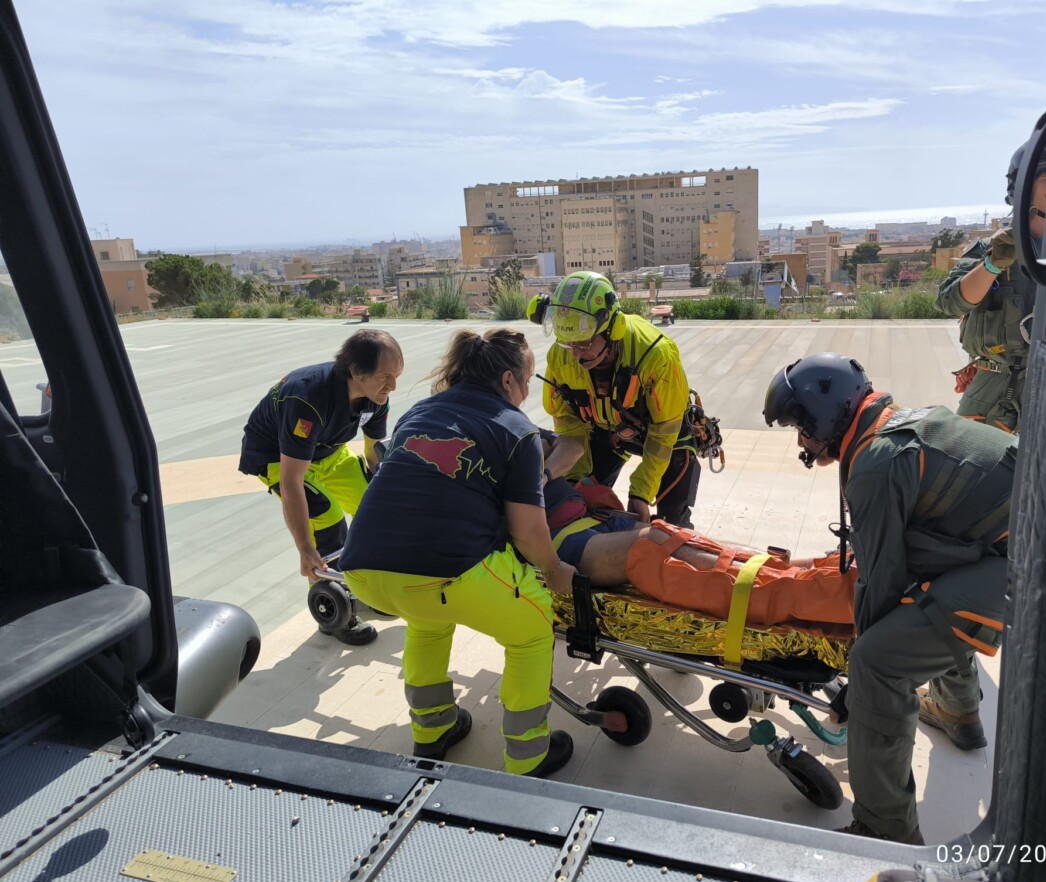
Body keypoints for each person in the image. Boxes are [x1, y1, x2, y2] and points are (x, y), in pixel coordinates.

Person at [763, 352, 1016, 845]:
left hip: (1029, 565)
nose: (801, 441)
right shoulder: (896, 423)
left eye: (802, 427)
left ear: (827, 414)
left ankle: (884, 830)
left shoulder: (875, 465)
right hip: (1023, 544)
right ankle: (958, 712)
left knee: (878, 661)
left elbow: (879, 582)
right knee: (924, 593)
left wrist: (857, 686)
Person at [339, 328, 578, 778]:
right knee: (531, 630)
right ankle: (529, 756)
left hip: (364, 570)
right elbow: (528, 530)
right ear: (508, 381)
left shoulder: (419, 411)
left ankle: (433, 731)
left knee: (428, 623)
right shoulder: (516, 430)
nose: (528, 392)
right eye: (527, 380)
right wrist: (554, 568)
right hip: (442, 572)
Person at [238, 328, 403, 645]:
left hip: (328, 450)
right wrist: (304, 548)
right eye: (385, 377)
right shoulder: (308, 398)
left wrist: (386, 501)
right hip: (277, 456)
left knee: (373, 509)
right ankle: (337, 610)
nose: (392, 386)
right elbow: (292, 480)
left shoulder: (376, 395)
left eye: (396, 376)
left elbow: (372, 454)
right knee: (326, 517)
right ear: (356, 371)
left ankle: (368, 591)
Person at [528, 271, 701, 527]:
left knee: (670, 524)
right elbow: (568, 423)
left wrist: (641, 492)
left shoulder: (656, 354)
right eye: (567, 343)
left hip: (668, 434)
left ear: (612, 328)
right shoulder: (561, 356)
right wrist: (580, 477)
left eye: (584, 343)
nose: (575, 354)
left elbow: (664, 431)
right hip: (606, 431)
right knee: (580, 502)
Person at [936, 135, 1046, 433]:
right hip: (991, 389)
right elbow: (950, 302)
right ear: (1025, 186)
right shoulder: (992, 248)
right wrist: (993, 263)